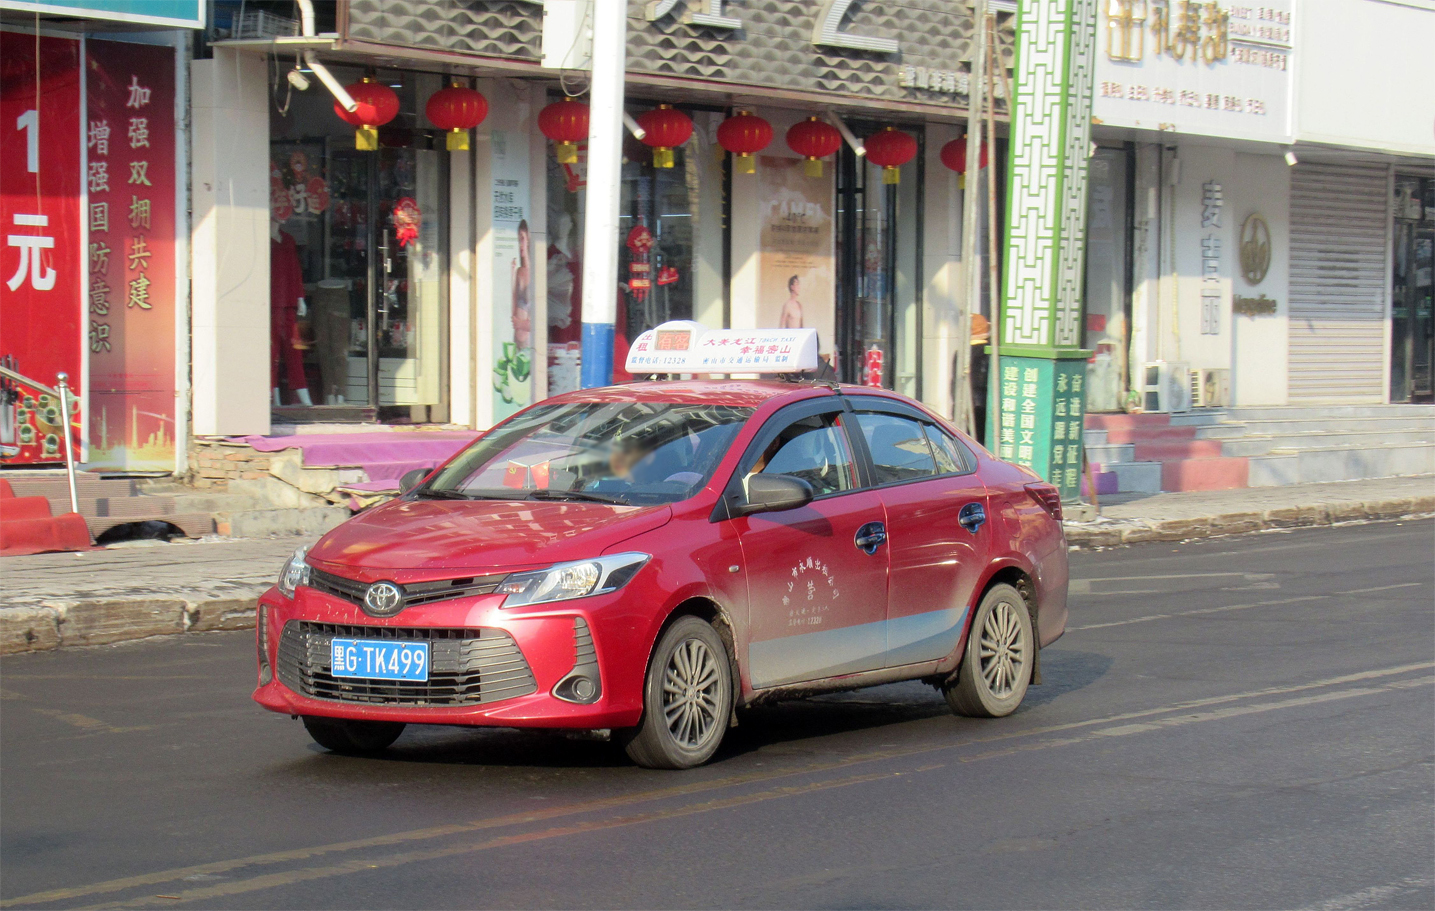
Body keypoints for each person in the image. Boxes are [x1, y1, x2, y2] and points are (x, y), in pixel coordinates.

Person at [512, 220, 532, 348]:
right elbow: (513, 313)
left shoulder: (538, 274)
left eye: (523, 239)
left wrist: (521, 324)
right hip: (517, 340)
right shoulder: (519, 272)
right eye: (519, 239)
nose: (520, 244)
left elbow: (540, 321)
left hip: (531, 340)